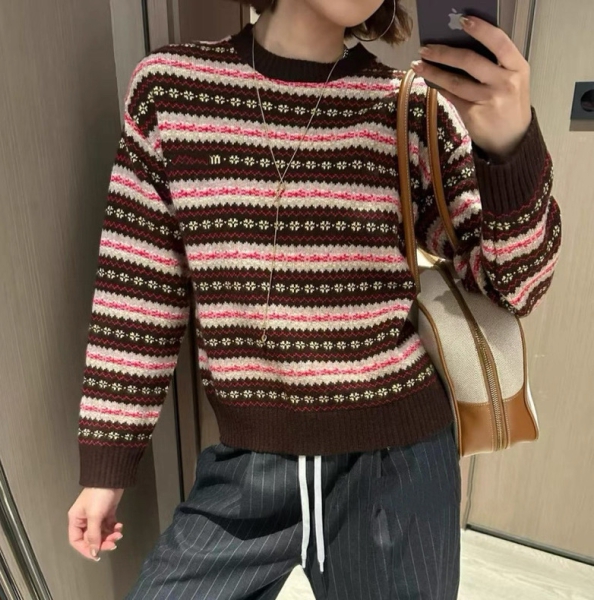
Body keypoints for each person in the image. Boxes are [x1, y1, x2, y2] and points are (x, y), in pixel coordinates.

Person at [67, 0, 562, 598]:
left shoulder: (409, 108)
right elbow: (137, 290)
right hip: (246, 469)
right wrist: (107, 464)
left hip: (398, 467)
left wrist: (510, 150)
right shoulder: (170, 90)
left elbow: (515, 285)